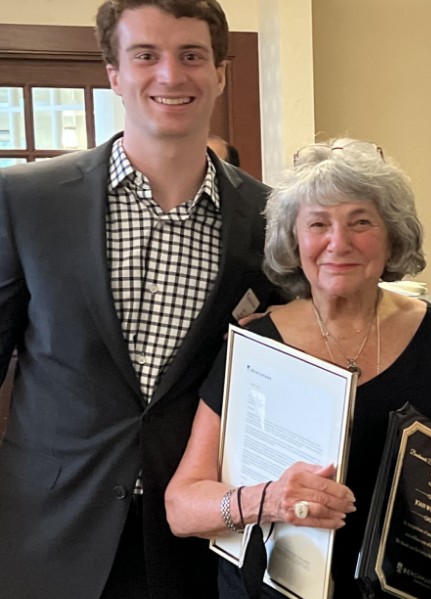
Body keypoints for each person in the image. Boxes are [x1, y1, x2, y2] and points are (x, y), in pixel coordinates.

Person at [0, 1, 281, 597]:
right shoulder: (27, 200)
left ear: (221, 72)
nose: (171, 76)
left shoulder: (269, 219)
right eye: (146, 56)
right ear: (114, 73)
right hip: (46, 531)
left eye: (192, 56)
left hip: (198, 540)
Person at [165, 139, 431, 599]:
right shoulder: (256, 344)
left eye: (361, 222)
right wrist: (266, 499)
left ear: (392, 235)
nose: (338, 243)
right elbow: (181, 507)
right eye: (318, 223)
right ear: (294, 240)